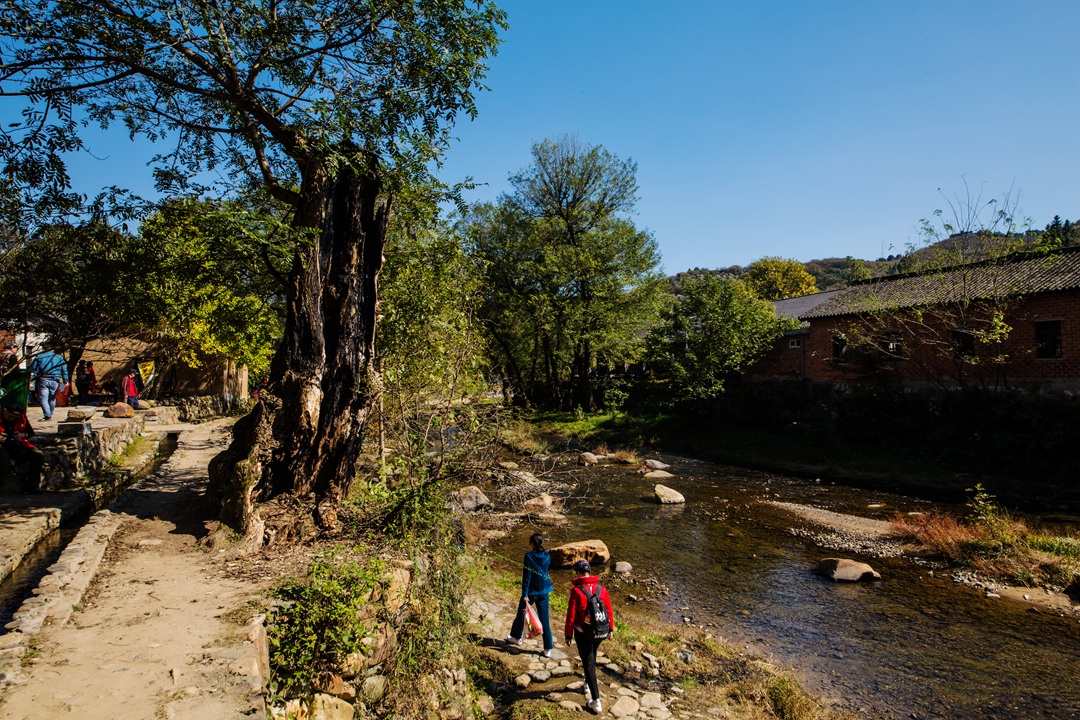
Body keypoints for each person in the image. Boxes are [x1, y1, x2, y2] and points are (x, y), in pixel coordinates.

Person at [564, 560, 615, 714]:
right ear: (590, 572)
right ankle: (587, 682)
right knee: (592, 655)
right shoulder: (601, 588)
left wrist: (568, 634)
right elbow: (609, 610)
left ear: (579, 573)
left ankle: (596, 700)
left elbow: (571, 615)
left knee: (589, 663)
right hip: (600, 631)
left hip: (582, 632)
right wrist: (611, 629)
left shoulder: (577, 590)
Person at [505, 533, 555, 657]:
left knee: (521, 614)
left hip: (532, 591)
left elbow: (527, 576)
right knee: (545, 620)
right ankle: (548, 649)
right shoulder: (547, 556)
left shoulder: (529, 556)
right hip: (544, 590)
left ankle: (516, 637)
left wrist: (525, 593)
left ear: (532, 543)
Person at [0, 402, 45, 493]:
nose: (12, 419)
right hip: (1, 446)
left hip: (18, 444)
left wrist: (22, 434)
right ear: (5, 411)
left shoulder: (21, 419)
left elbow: (30, 432)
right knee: (3, 457)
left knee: (38, 455)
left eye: (14, 418)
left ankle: (33, 485)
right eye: (10, 417)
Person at [29, 345, 69, 420]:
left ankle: (47, 414)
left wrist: (33, 377)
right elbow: (64, 370)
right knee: (52, 398)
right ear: (53, 350)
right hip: (55, 380)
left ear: (44, 349)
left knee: (43, 398)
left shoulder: (39, 357)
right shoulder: (59, 358)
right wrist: (65, 380)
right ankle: (50, 413)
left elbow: (33, 369)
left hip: (43, 379)